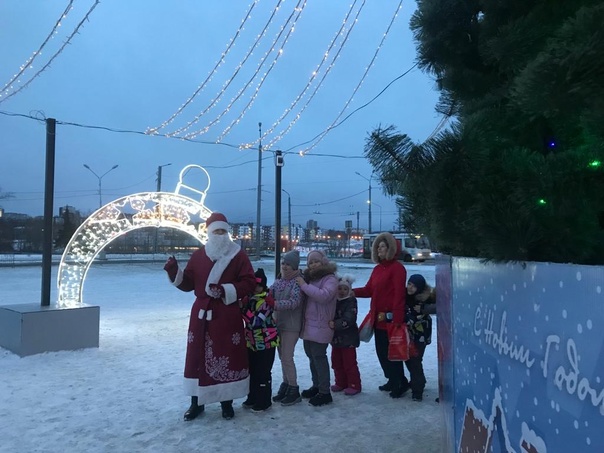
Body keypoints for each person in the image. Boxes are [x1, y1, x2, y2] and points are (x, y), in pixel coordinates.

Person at [163, 212, 256, 421]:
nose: (220, 235)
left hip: (226, 314)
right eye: (216, 231)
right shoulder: (198, 256)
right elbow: (188, 284)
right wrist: (174, 272)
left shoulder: (238, 255)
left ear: (227, 232)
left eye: (223, 231)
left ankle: (226, 402)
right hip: (201, 315)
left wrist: (225, 290)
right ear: (209, 233)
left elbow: (249, 282)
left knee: (227, 354)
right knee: (197, 355)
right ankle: (196, 403)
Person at [352, 232, 409, 398]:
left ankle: (400, 382)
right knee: (382, 352)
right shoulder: (377, 269)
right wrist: (351, 292)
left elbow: (399, 294)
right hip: (378, 319)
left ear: (391, 249)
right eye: (377, 247)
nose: (379, 250)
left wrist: (397, 318)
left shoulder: (397, 268)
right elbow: (369, 290)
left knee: (393, 353)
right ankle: (392, 379)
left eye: (382, 247)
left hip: (391, 319)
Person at [296, 249, 338, 407]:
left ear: (323, 262)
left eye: (316, 261)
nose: (313, 265)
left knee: (319, 357)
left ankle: (325, 392)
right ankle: (317, 386)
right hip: (308, 324)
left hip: (321, 324)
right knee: (311, 356)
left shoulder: (330, 279)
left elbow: (323, 296)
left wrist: (304, 285)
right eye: (310, 263)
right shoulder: (310, 279)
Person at [241, 268, 280, 412]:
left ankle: (264, 400)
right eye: (253, 285)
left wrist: (243, 309)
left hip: (266, 342)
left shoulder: (266, 301)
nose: (255, 288)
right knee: (252, 371)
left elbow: (256, 322)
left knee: (263, 372)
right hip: (251, 343)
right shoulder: (249, 299)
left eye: (258, 285)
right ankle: (252, 396)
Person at [270, 250, 305, 406]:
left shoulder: (298, 282)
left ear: (295, 266)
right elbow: (269, 293)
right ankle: (286, 384)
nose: (284, 266)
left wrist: (274, 304)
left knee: (287, 357)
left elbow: (294, 302)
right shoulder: (279, 281)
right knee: (282, 357)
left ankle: (293, 387)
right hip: (278, 323)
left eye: (288, 264)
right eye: (283, 263)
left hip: (291, 325)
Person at [329, 275, 362, 395]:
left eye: (345, 289)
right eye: (339, 288)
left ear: (349, 290)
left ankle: (354, 384)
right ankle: (340, 382)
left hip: (348, 338)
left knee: (349, 363)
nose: (342, 291)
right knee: (336, 362)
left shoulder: (351, 302)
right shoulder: (334, 301)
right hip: (336, 338)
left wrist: (336, 324)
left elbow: (350, 318)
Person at [405, 274, 434, 402]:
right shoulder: (406, 297)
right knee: (409, 359)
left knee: (415, 361)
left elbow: (417, 318)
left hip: (420, 336)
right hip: (409, 335)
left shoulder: (424, 300)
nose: (410, 287)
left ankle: (418, 390)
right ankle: (419, 380)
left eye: (414, 286)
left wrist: (404, 319)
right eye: (409, 284)